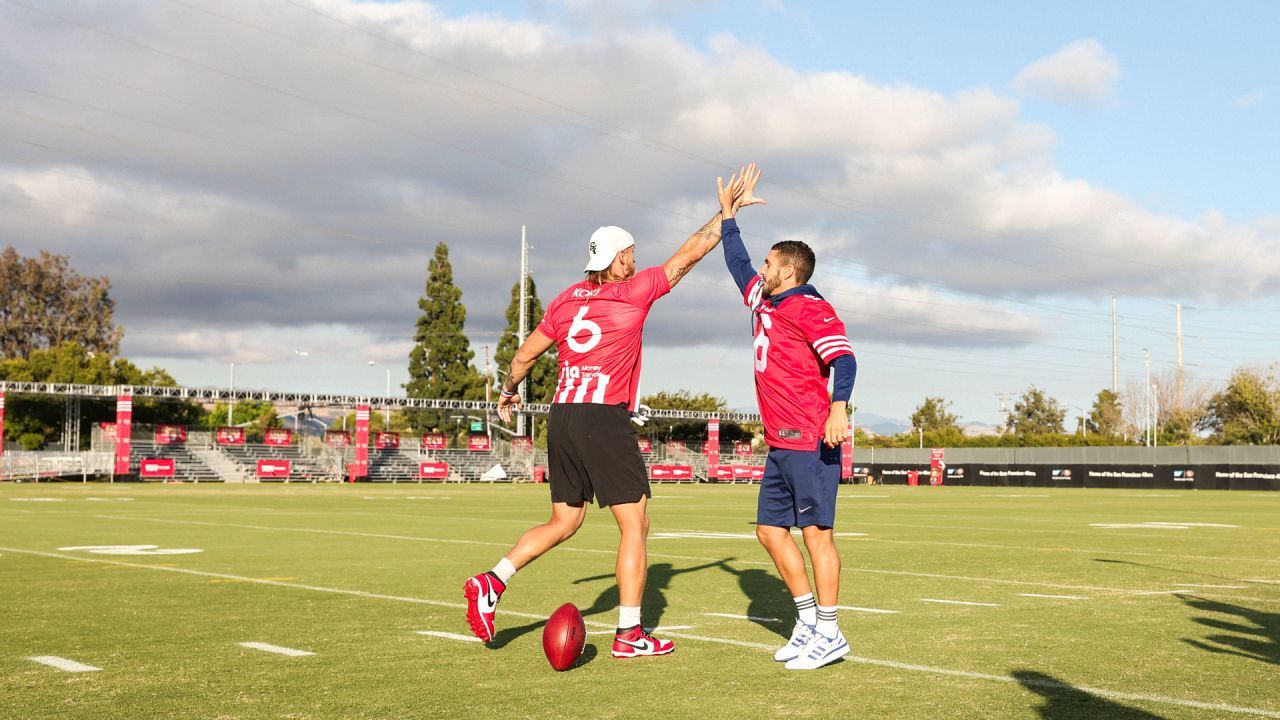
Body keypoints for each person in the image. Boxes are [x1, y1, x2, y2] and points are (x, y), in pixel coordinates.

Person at [463, 165, 765, 658]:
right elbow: (689, 253)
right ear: (620, 257)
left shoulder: (564, 301)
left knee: (565, 520)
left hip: (562, 416)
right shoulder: (633, 291)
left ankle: (493, 581)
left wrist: (508, 392)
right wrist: (725, 214)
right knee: (635, 524)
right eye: (631, 253)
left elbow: (522, 356)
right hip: (602, 416)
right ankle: (630, 634)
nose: (635, 259)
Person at [717, 170, 857, 670]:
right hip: (780, 441)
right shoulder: (765, 299)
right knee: (770, 532)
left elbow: (845, 359)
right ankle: (806, 621)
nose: (762, 267)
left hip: (811, 437)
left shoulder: (809, 305)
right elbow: (736, 264)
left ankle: (831, 630)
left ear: (789, 270)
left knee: (817, 534)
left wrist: (839, 406)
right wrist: (729, 216)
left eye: (769, 262)